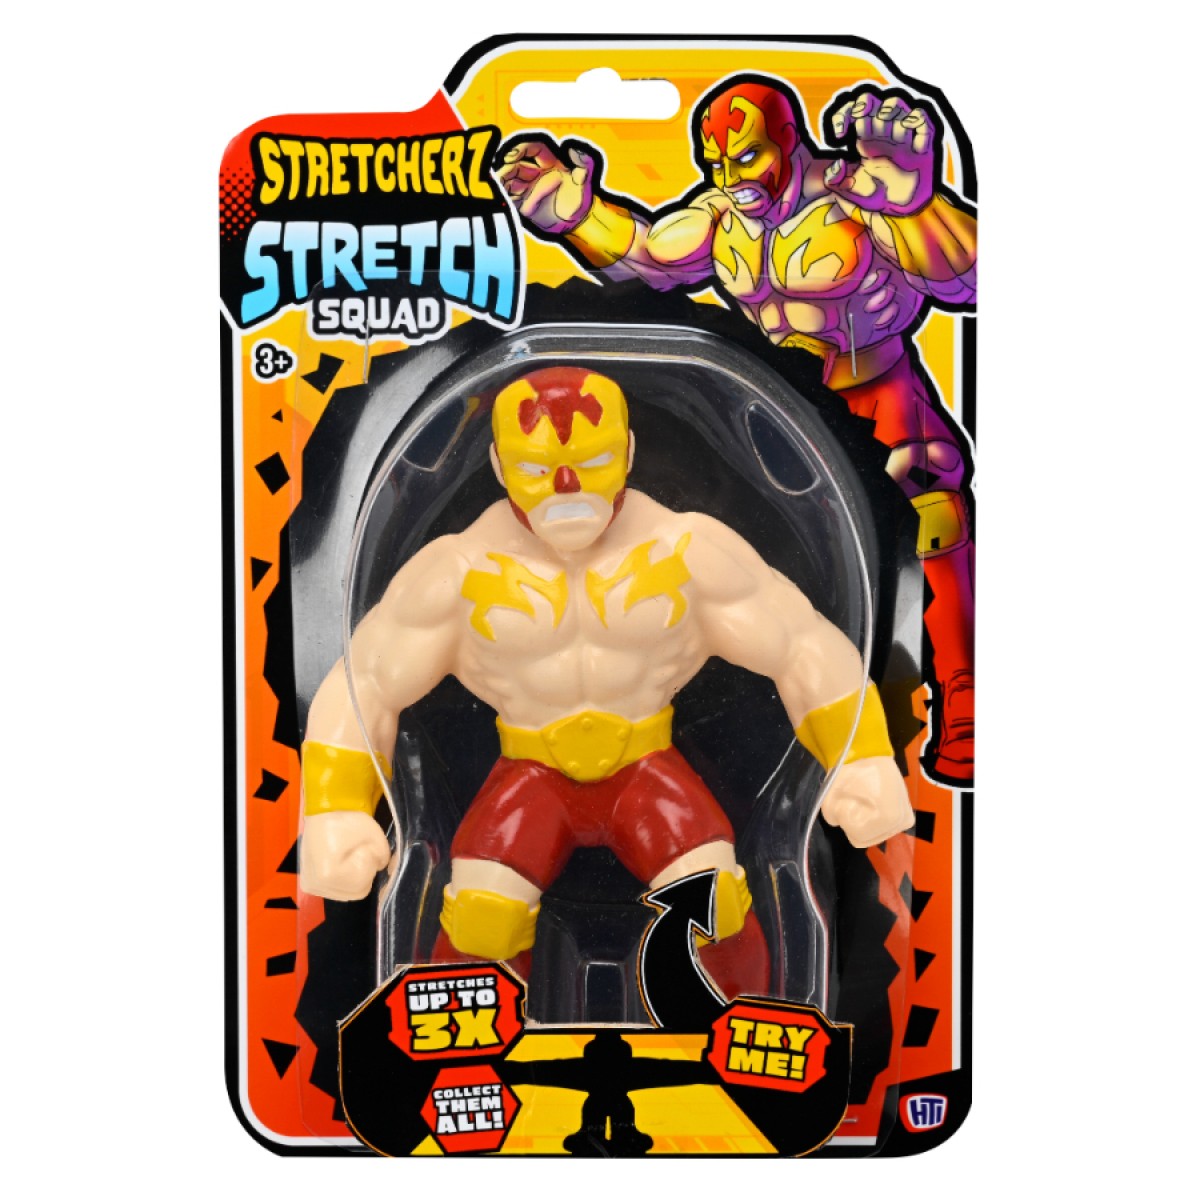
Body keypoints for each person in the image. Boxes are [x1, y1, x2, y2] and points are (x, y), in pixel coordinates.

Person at [299, 366, 913, 999]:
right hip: (530, 777)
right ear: (500, 466)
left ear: (628, 453)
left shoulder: (685, 551)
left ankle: (743, 1036)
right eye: (537, 469)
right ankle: (463, 1049)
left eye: (590, 462)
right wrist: (334, 807)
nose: (565, 486)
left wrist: (860, 759)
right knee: (482, 920)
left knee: (713, 904)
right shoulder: (458, 571)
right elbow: (366, 682)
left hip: (646, 770)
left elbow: (801, 644)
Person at [498, 78, 977, 784]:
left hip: (875, 393)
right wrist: (575, 214)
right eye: (717, 162)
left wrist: (916, 205)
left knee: (927, 502)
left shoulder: (857, 195)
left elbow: (968, 281)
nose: (732, 178)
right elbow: (647, 259)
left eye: (748, 157)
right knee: (752, 550)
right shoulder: (723, 217)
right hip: (777, 409)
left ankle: (963, 698)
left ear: (789, 141)